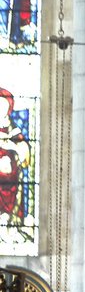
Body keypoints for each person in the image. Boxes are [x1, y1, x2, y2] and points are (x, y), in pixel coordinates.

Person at [0, 86, 30, 229]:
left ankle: (10, 222)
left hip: (11, 174)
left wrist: (12, 147)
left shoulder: (13, 128)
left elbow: (24, 153)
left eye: (3, 106)